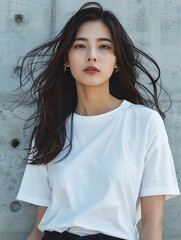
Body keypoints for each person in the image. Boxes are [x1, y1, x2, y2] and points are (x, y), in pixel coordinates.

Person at [17, 2, 180, 240]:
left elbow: (152, 223)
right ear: (66, 59)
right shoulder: (50, 128)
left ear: (116, 60)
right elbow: (40, 226)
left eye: (104, 46)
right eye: (80, 45)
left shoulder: (144, 123)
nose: (92, 55)